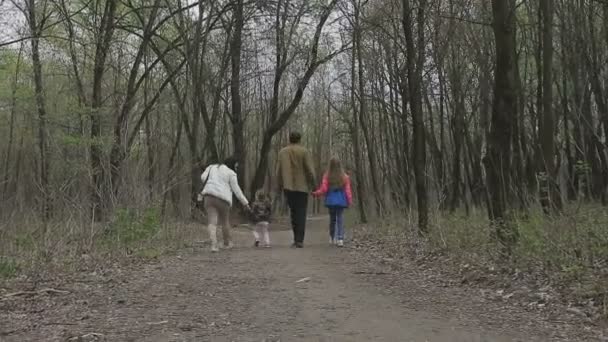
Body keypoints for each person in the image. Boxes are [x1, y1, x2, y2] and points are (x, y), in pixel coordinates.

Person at [200, 156, 250, 252]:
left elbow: (203, 178)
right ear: (232, 164)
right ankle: (226, 243)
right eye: (236, 166)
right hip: (224, 200)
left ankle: (213, 245)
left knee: (212, 221)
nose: (236, 168)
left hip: (209, 196)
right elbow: (237, 191)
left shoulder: (211, 167)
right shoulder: (231, 173)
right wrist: (245, 203)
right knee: (224, 221)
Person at [276, 131, 316, 248]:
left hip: (288, 186)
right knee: (301, 212)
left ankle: (295, 239)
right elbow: (310, 170)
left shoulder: (283, 152)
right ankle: (300, 240)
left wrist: (279, 185)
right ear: (299, 139)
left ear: (289, 139)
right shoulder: (304, 151)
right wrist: (313, 184)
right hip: (302, 187)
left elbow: (278, 171)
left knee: (293, 213)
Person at [312, 157, 353, 247]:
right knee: (340, 219)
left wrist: (316, 193)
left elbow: (324, 189)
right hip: (341, 201)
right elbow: (348, 191)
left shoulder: (327, 176)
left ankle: (332, 237)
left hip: (331, 201)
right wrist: (349, 201)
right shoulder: (345, 177)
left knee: (332, 219)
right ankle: (340, 239)